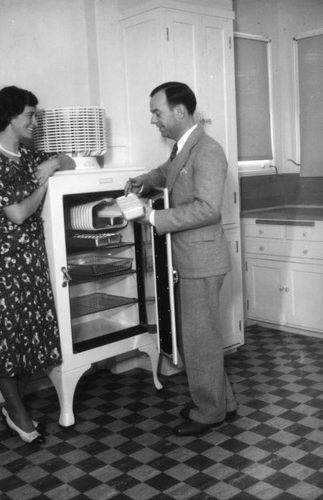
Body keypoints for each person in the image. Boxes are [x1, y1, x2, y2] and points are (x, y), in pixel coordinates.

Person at [124, 82, 237, 437]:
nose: (153, 119)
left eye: (157, 112)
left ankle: (209, 411)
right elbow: (168, 173)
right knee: (197, 337)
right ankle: (223, 403)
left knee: (199, 339)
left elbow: (207, 208)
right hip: (190, 259)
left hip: (202, 259)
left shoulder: (208, 151)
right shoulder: (183, 148)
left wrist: (152, 217)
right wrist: (144, 181)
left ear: (179, 111)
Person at [0, 85, 74, 445]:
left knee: (27, 334)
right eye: (30, 115)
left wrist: (52, 163)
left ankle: (12, 408)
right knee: (5, 337)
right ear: (10, 117)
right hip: (5, 260)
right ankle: (18, 414)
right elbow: (17, 214)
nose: (35, 121)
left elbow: (71, 160)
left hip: (31, 258)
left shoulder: (30, 155)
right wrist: (44, 181)